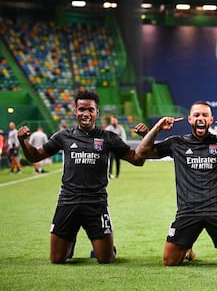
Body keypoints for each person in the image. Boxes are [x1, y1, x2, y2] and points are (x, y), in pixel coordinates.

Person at [17, 89, 148, 264]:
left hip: (96, 202)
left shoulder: (108, 138)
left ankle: (106, 248)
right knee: (57, 259)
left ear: (96, 112)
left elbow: (137, 160)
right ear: (75, 111)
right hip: (68, 201)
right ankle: (70, 240)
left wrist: (146, 138)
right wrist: (22, 140)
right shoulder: (63, 137)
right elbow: (34, 156)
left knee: (106, 259)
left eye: (90, 110)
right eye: (81, 110)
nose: (85, 113)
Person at [136, 100, 217, 266]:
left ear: (210, 120)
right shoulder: (177, 143)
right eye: (196, 115)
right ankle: (186, 246)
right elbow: (141, 152)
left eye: (204, 115)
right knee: (170, 261)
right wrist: (157, 127)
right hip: (188, 210)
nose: (200, 118)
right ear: (190, 120)